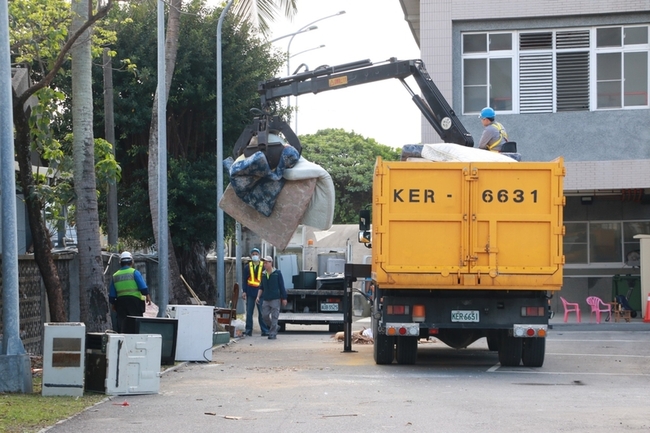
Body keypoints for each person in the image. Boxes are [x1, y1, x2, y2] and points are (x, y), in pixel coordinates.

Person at [109, 251, 151, 333]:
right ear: (131, 261)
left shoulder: (115, 276)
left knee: (122, 325)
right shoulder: (134, 272)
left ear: (120, 262)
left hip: (120, 303)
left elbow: (112, 295)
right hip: (134, 302)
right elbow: (143, 287)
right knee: (135, 324)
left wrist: (113, 304)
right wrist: (147, 296)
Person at [255, 256, 287, 340]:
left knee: (274, 316)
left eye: (266, 262)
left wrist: (284, 298)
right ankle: (275, 327)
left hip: (275, 298)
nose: (265, 264)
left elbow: (281, 286)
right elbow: (261, 287)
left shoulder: (277, 273)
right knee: (264, 316)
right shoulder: (263, 274)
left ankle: (272, 333)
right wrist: (258, 297)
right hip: (266, 298)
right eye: (264, 263)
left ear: (271, 263)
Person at [242, 248, 270, 337]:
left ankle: (265, 330)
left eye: (256, 254)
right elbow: (244, 280)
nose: (255, 256)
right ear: (251, 256)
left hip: (261, 293)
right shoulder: (247, 267)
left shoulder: (263, 266)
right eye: (253, 254)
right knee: (249, 312)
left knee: (262, 312)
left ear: (259, 255)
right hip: (250, 292)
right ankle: (248, 330)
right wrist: (244, 291)